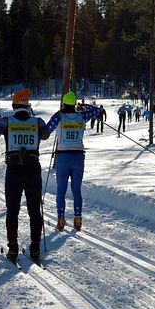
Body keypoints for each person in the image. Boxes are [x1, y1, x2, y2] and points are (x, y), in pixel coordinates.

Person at [0, 88, 50, 264]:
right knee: (34, 211)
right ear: (28, 105)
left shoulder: (7, 121)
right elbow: (45, 134)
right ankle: (36, 248)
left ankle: (13, 249)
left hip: (14, 171)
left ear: (14, 105)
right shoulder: (37, 122)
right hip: (33, 170)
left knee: (12, 211)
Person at [46, 91, 102, 232]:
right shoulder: (82, 116)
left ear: (63, 104)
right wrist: (82, 107)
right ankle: (78, 219)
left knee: (61, 190)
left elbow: (46, 131)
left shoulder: (59, 117)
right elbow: (97, 110)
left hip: (63, 158)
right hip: (78, 157)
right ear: (74, 104)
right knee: (76, 190)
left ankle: (61, 219)